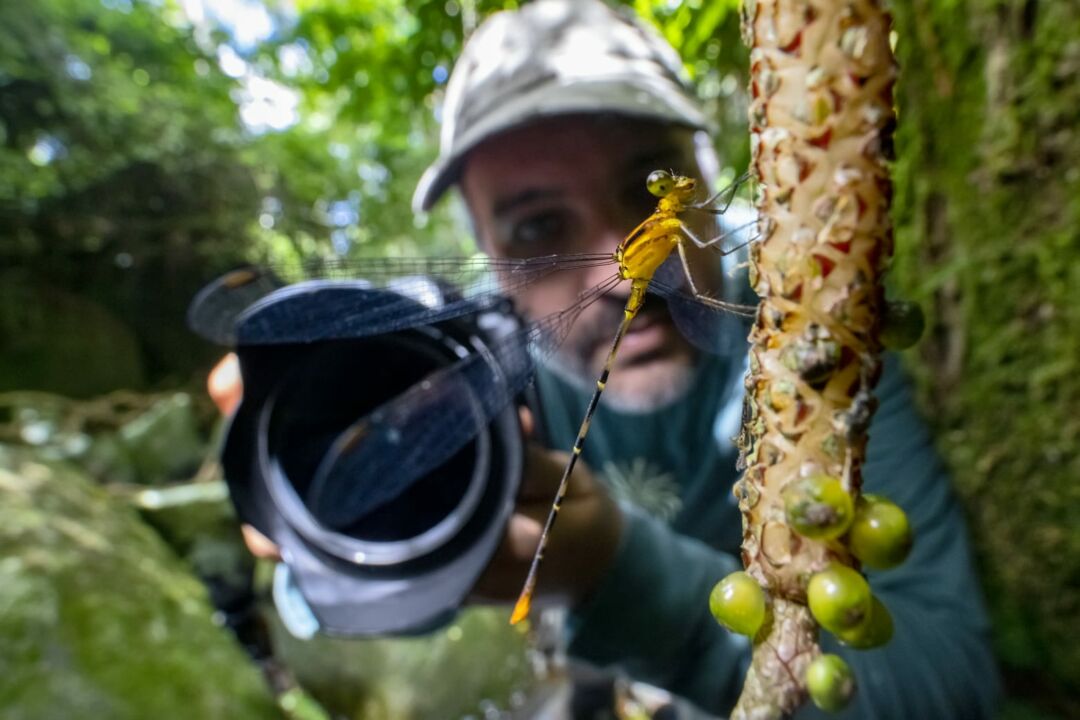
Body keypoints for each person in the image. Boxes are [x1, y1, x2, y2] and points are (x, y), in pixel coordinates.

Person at [217, 1, 1000, 717]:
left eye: (653, 188)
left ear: (709, 174)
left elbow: (954, 681)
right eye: (536, 228)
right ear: (490, 263)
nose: (623, 270)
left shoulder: (813, 323)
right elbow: (365, 594)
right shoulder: (490, 379)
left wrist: (617, 571)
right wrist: (300, 501)